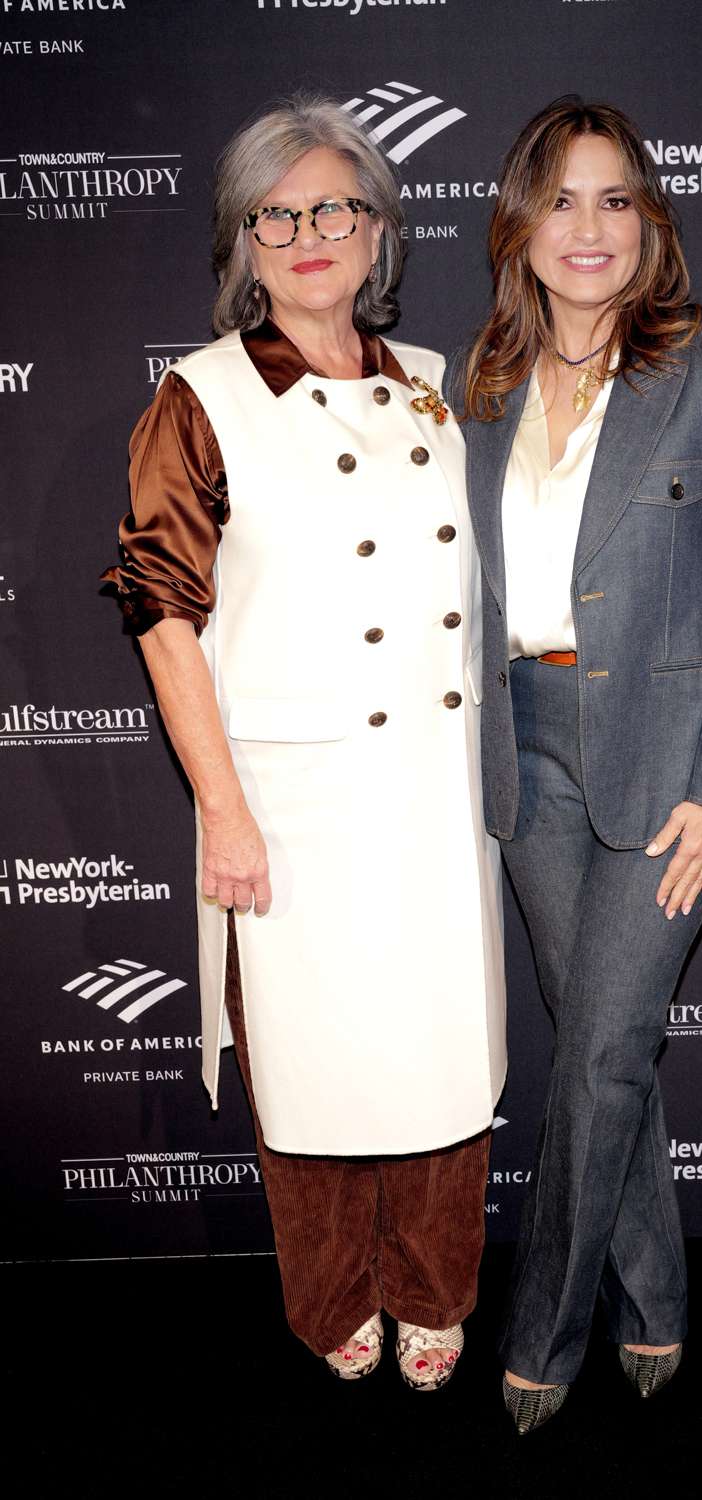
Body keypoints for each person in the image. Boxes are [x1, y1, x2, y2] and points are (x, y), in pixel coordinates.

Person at [101, 95, 506, 1391]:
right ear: (244, 244)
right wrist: (221, 806)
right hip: (293, 794)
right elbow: (163, 616)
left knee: (443, 1055)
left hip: (435, 795)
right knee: (312, 1058)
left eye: (334, 205)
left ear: (380, 229)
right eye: (276, 215)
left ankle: (437, 1289)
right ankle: (335, 1299)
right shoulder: (202, 397)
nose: (307, 232)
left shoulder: (441, 387)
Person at [449, 96, 702, 1433]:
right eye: (563, 202)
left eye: (616, 201)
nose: (589, 230)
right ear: (521, 225)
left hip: (666, 766)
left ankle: (544, 1336)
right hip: (524, 757)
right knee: (610, 1054)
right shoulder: (476, 380)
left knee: (592, 1064)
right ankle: (661, 1305)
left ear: (650, 220)